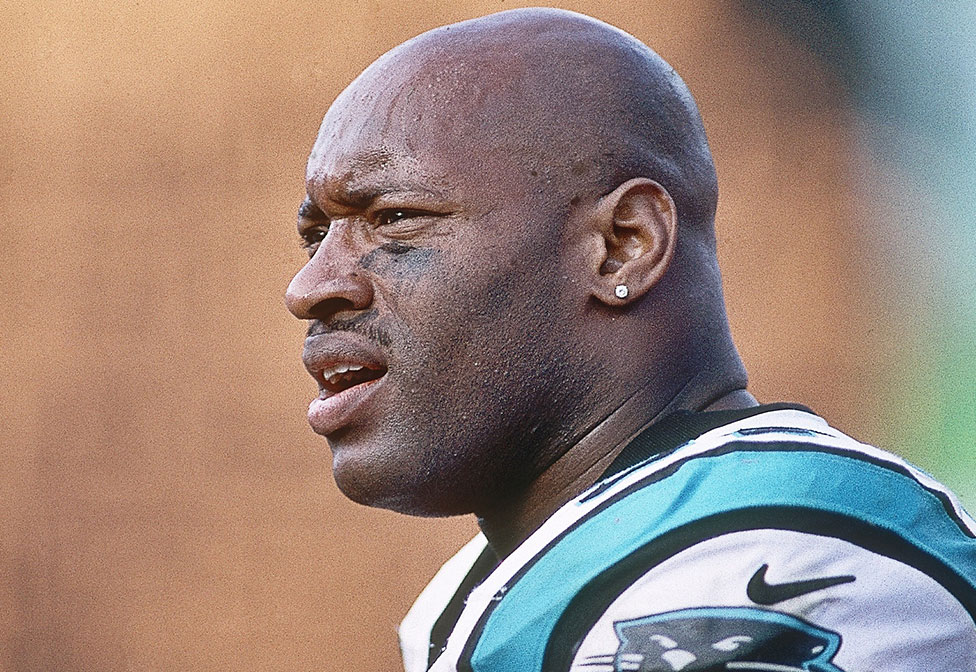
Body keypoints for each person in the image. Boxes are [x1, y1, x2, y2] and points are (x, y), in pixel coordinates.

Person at [284, 8, 976, 671]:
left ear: (623, 245)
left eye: (396, 217)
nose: (311, 286)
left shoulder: (784, 541)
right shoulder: (496, 584)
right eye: (316, 236)